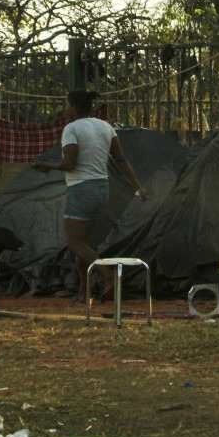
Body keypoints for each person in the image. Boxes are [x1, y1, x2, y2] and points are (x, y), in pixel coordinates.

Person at [34, 90, 147, 301]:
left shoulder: (71, 129)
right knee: (85, 244)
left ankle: (109, 277)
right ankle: (83, 292)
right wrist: (138, 186)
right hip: (103, 189)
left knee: (75, 242)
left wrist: (46, 166)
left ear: (73, 107)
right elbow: (121, 160)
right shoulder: (106, 127)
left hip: (81, 189)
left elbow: (70, 164)